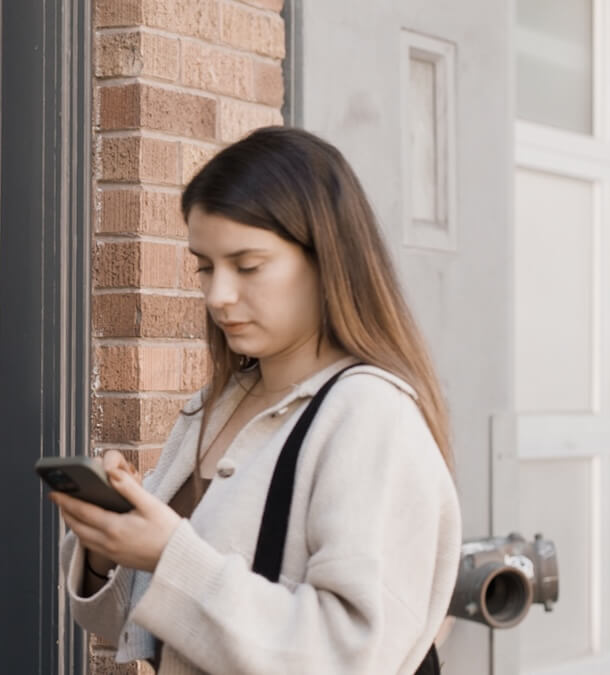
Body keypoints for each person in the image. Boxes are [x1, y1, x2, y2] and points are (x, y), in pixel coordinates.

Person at [52, 127, 462, 674]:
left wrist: (168, 552)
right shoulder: (216, 405)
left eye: (247, 266)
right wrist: (108, 546)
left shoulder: (369, 416)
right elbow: (146, 624)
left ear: (326, 260)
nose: (218, 295)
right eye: (205, 265)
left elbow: (352, 656)